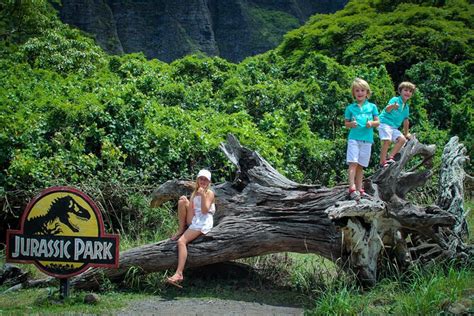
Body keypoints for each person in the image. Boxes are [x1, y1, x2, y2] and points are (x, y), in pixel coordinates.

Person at [166, 169, 216, 287]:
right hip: (196, 220)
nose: (203, 181)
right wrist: (186, 203)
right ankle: (180, 230)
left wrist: (203, 194)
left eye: (205, 179)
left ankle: (179, 273)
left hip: (204, 221)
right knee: (182, 201)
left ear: (209, 182)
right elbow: (191, 216)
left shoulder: (209, 193)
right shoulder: (194, 193)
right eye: (201, 178)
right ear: (197, 180)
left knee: (181, 241)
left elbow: (204, 211)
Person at [344, 78, 380, 200]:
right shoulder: (350, 108)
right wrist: (351, 125)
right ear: (353, 93)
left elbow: (377, 122)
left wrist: (371, 123)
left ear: (367, 92)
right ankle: (352, 188)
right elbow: (346, 123)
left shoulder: (372, 106)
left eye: (362, 90)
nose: (360, 93)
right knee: (353, 163)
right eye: (357, 90)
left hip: (367, 140)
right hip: (354, 138)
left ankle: (360, 189)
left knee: (361, 165)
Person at [378, 82, 416, 168]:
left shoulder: (406, 107)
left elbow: (406, 120)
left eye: (410, 91)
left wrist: (406, 133)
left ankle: (390, 157)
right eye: (405, 90)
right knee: (387, 141)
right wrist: (392, 106)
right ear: (400, 91)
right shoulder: (395, 100)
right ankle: (382, 162)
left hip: (394, 127)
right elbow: (387, 110)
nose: (408, 92)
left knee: (402, 140)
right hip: (384, 123)